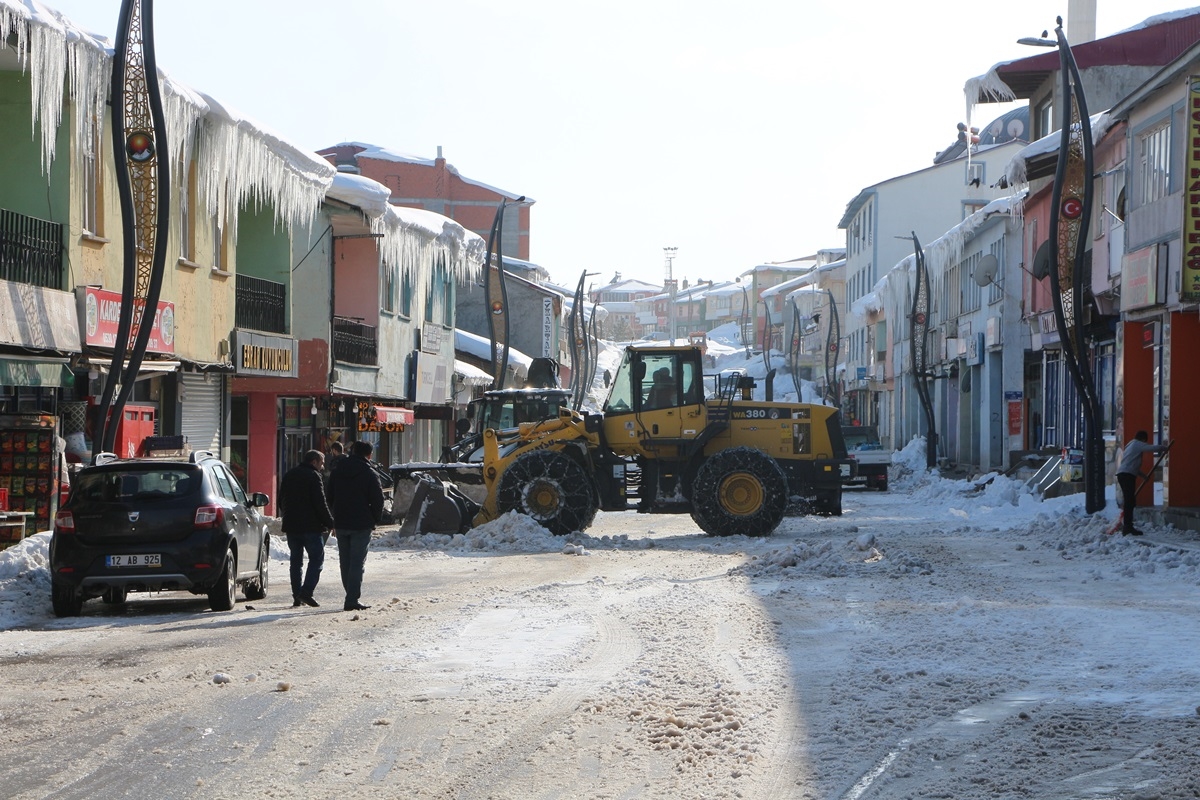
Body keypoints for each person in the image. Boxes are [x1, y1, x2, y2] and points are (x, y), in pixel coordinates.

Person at [327, 439, 384, 611]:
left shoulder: (338, 470)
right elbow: (378, 500)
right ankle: (351, 599)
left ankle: (350, 594)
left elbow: (329, 496)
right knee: (357, 563)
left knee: (345, 561)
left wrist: (334, 516)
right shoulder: (369, 473)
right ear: (369, 454)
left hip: (342, 522)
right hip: (361, 523)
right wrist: (374, 519)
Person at [278, 449, 335, 607]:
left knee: (296, 562)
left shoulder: (290, 474)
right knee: (317, 559)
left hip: (291, 526)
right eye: (321, 463)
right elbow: (320, 503)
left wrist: (288, 515)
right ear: (314, 462)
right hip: (310, 527)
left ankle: (297, 595)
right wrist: (330, 523)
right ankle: (306, 592)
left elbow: (280, 499)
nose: (322, 467)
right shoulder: (314, 476)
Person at [1116, 430, 1168, 536]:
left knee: (1130, 500)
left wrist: (1143, 476)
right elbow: (1151, 448)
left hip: (1123, 474)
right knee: (1130, 501)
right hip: (1127, 475)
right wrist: (1164, 448)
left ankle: (1127, 525)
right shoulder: (1137, 444)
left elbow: (1132, 465)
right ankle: (1127, 527)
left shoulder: (1130, 445)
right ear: (1143, 439)